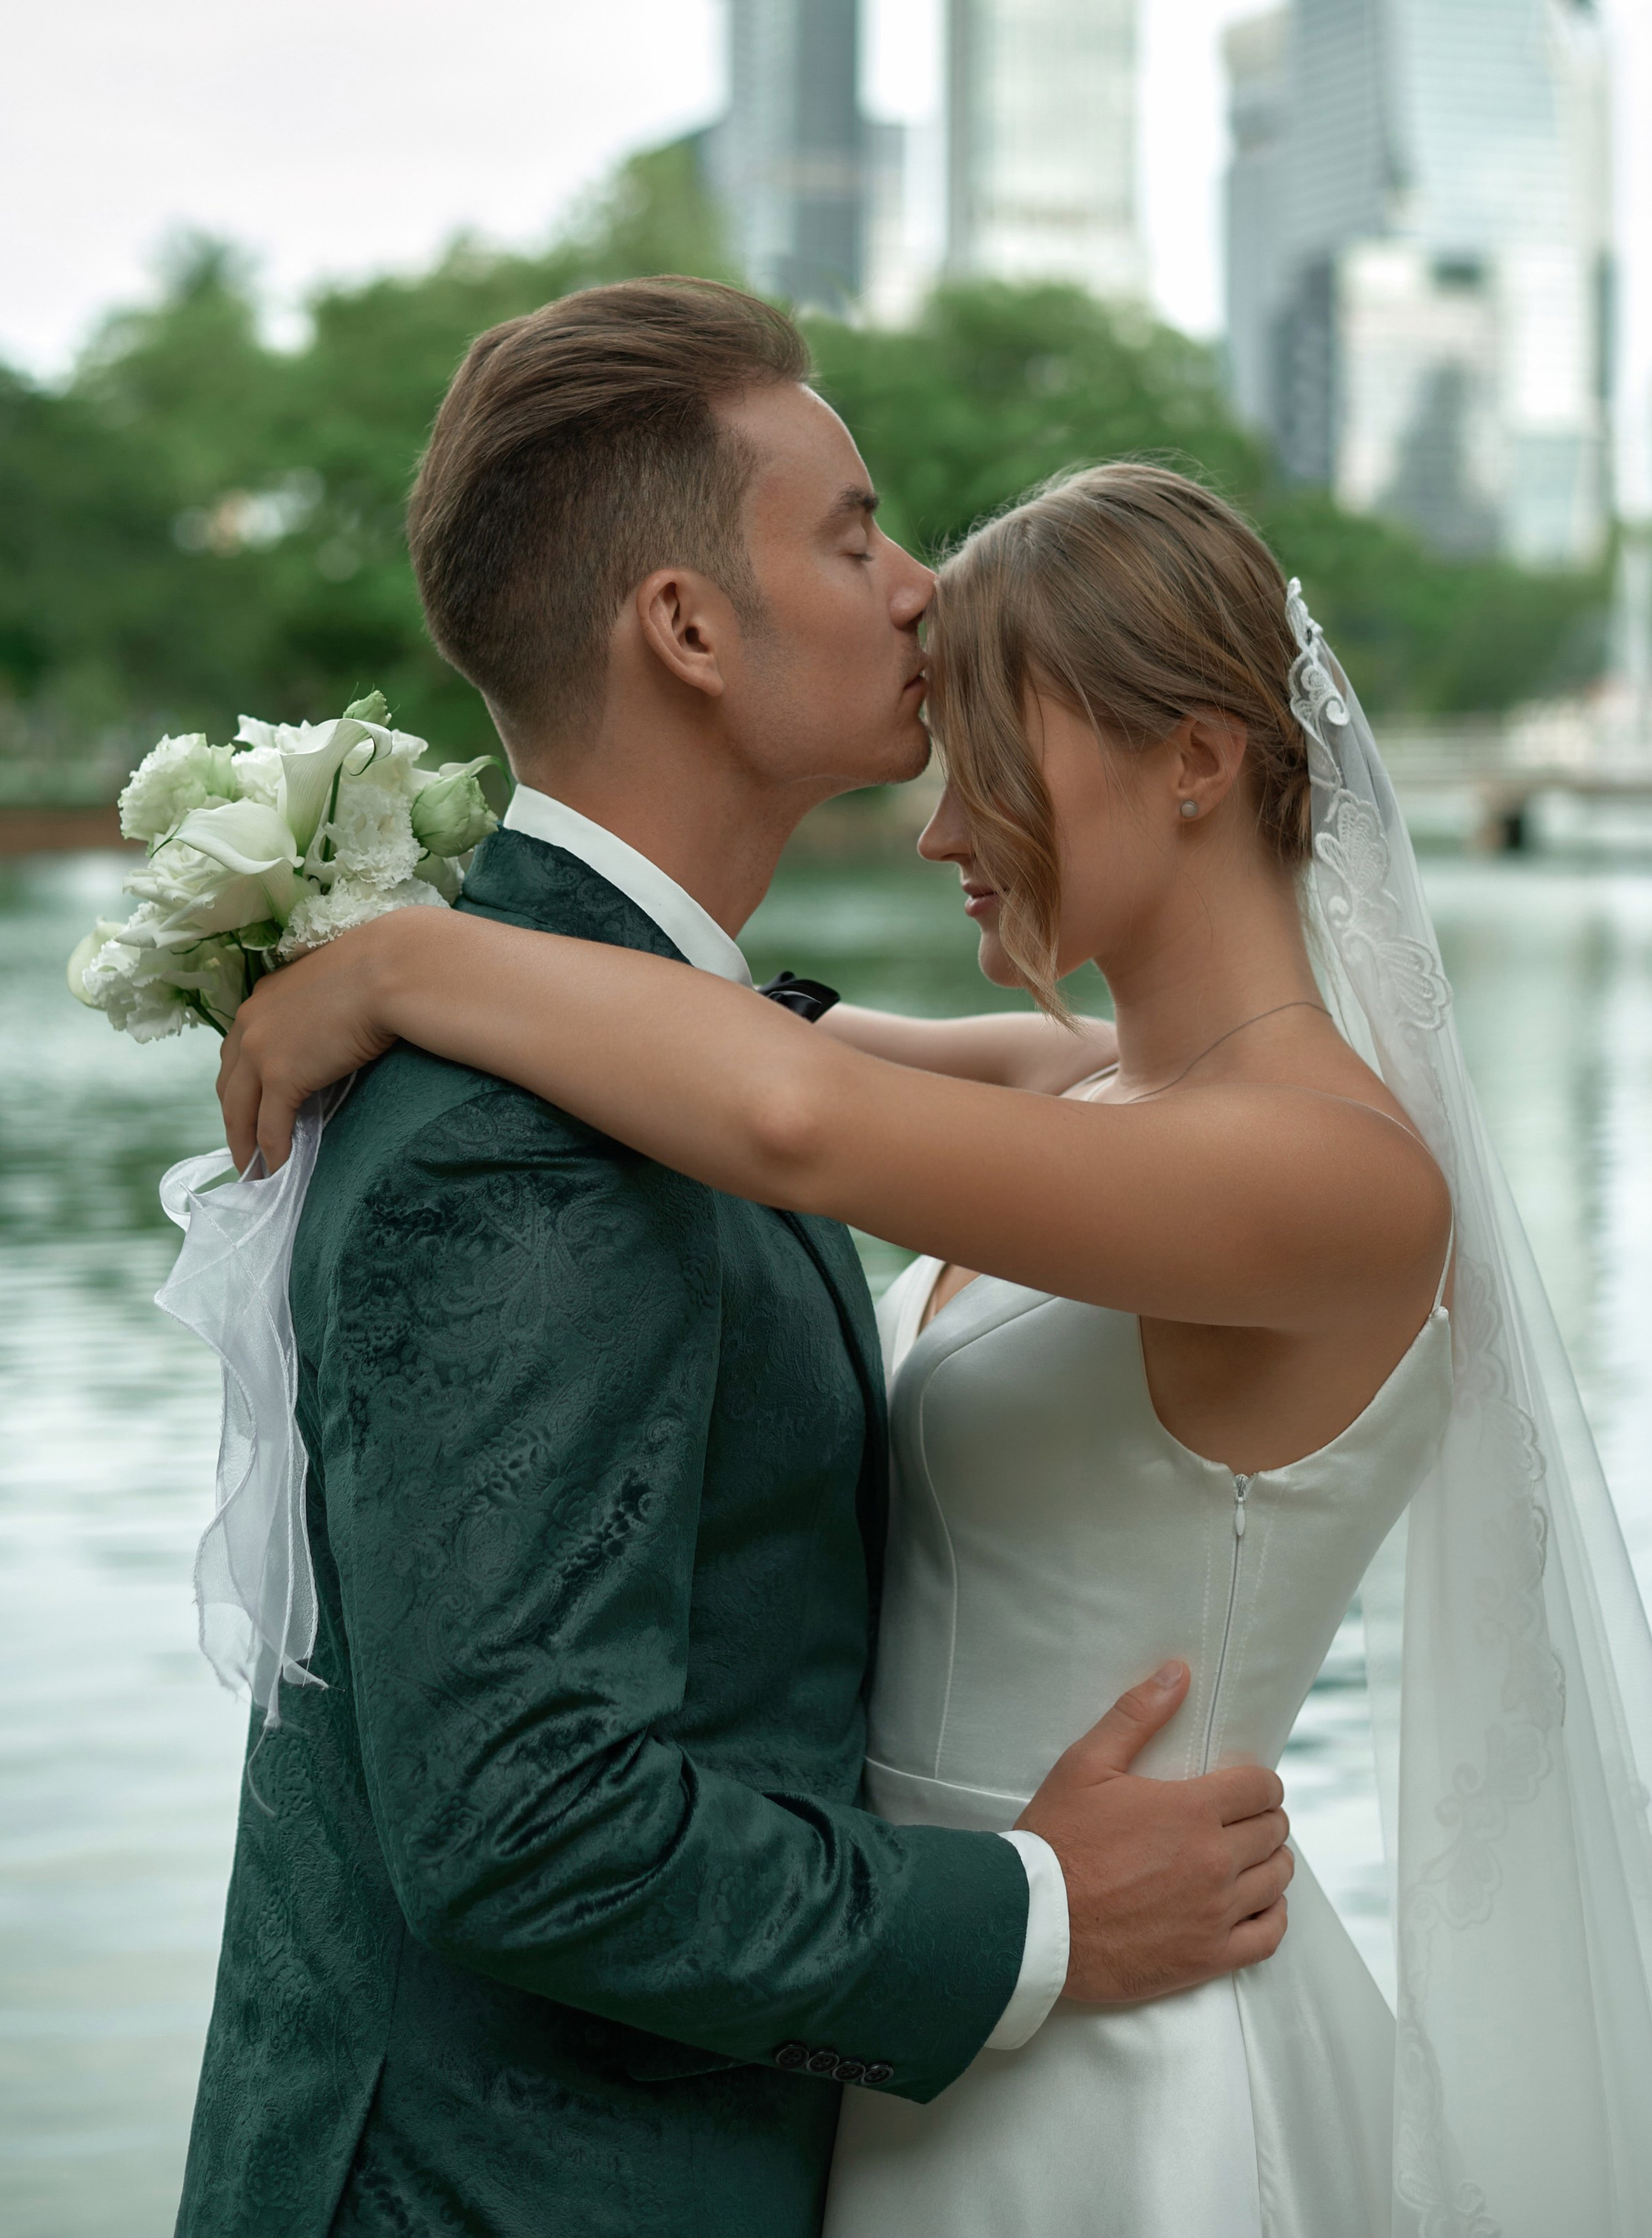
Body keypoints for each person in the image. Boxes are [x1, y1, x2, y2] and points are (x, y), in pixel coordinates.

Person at [224, 443, 1652, 2238]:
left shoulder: (1336, 1182)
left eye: (993, 759)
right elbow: (755, 1031)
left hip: (1114, 2053)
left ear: (1197, 757)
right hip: (924, 2003)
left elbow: (791, 1122)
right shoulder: (1089, 1084)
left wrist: (401, 968)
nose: (941, 824)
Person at [171, 284, 1296, 2238]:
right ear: (688, 627)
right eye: (856, 534)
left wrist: (411, 950)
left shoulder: (636, 1047)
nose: (925, 590)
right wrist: (1032, 1909)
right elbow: (522, 1824)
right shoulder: (532, 1135)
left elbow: (843, 1088)